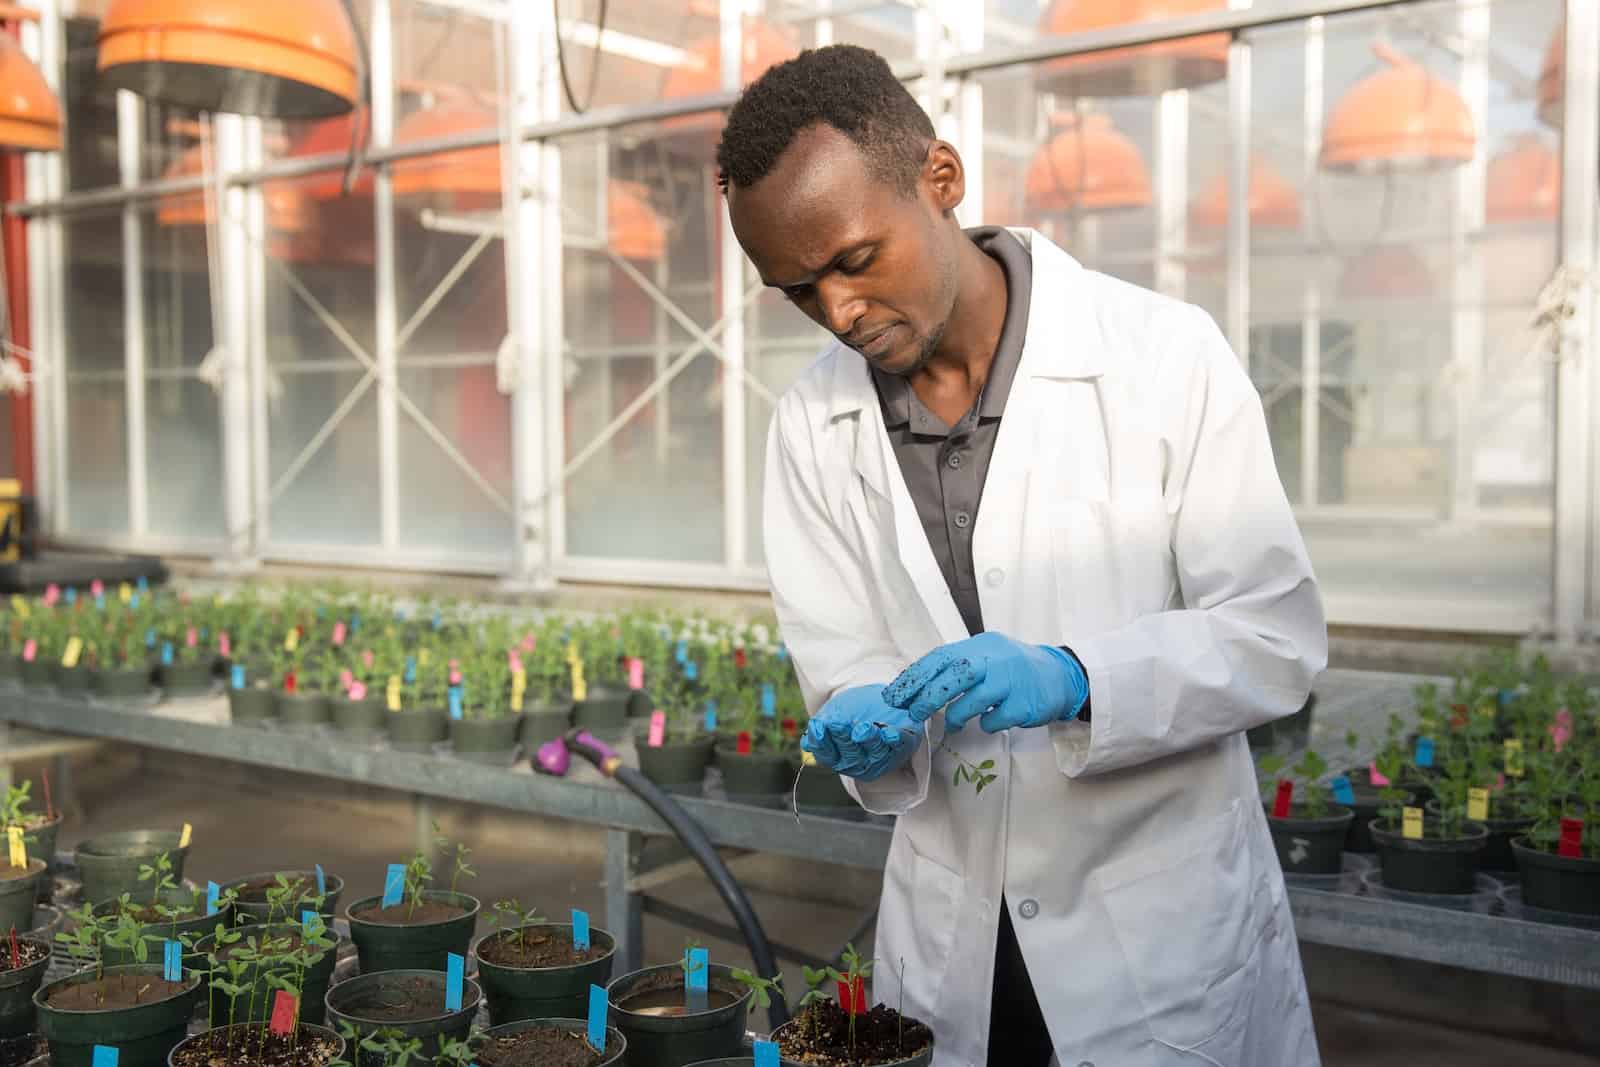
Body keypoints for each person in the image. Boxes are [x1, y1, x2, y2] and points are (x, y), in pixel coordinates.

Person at [719, 44, 1328, 1067]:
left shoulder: (1162, 358)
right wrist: (862, 716)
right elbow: (844, 651)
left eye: (856, 259)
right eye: (798, 289)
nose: (838, 311)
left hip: (1154, 923)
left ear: (941, 178)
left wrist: (1079, 677)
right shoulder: (809, 423)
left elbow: (1273, 635)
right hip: (952, 930)